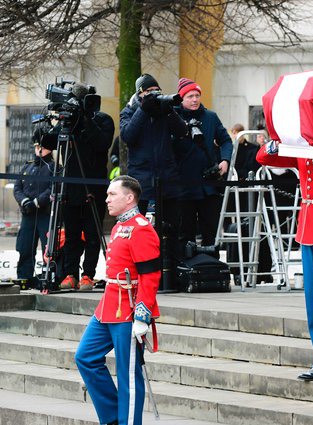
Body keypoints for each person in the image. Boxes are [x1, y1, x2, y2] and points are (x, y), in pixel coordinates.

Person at [256, 132, 313, 382]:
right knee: (312, 299)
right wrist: (279, 140)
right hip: (307, 227)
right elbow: (264, 157)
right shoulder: (303, 150)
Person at [74, 175, 161, 425]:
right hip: (109, 305)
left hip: (130, 309)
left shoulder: (142, 228)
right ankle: (113, 418)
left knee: (128, 376)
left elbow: (150, 276)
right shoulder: (118, 226)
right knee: (85, 357)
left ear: (129, 197)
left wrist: (143, 316)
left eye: (113, 194)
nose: (107, 199)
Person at [120, 73, 187, 290]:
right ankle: (138, 274)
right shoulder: (130, 110)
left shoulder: (164, 112)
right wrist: (143, 109)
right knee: (138, 228)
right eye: (150, 92)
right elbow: (128, 137)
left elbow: (181, 131)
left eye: (157, 91)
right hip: (141, 180)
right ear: (140, 93)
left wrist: (167, 110)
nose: (154, 95)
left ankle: (173, 275)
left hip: (167, 178)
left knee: (173, 227)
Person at [53, 84, 114, 291]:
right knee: (71, 234)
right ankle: (71, 274)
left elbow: (102, 143)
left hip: (93, 187)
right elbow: (50, 141)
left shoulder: (102, 119)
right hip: (70, 187)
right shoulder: (70, 122)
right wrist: (61, 121)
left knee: (92, 234)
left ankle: (88, 275)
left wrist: (85, 118)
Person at [173, 77, 232, 250]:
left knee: (210, 233)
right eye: (190, 96)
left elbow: (226, 141)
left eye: (197, 95)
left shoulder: (210, 117)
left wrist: (225, 160)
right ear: (182, 99)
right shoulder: (173, 118)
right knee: (185, 234)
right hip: (183, 186)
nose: (195, 99)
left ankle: (210, 271)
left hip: (208, 185)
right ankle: (187, 273)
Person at [14, 135, 54, 289]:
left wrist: (37, 202)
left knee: (47, 249)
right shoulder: (27, 166)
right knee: (25, 247)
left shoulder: (52, 167)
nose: (38, 149)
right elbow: (17, 187)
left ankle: (48, 279)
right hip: (28, 214)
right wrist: (24, 201)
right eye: (37, 146)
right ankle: (24, 278)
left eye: (42, 147)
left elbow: (52, 188)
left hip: (44, 213)